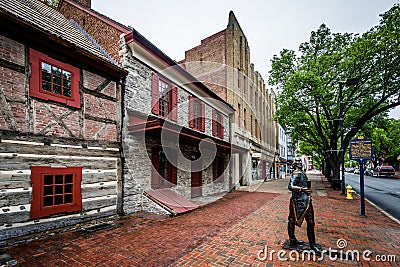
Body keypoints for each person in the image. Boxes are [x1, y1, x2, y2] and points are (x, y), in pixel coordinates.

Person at [287, 159, 322, 255]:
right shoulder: (296, 173)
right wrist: (302, 189)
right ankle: (293, 239)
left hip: (305, 199)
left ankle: (312, 243)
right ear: (296, 165)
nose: (300, 164)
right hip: (298, 201)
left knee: (310, 221)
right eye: (298, 163)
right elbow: (290, 186)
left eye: (300, 162)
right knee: (293, 219)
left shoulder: (301, 173)